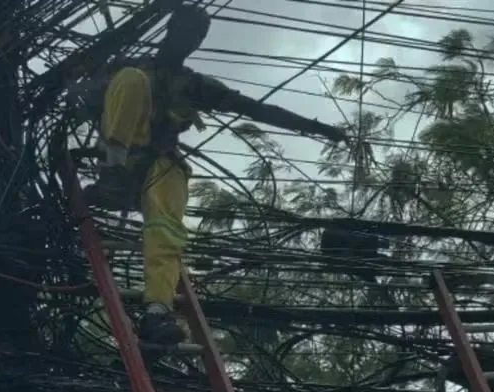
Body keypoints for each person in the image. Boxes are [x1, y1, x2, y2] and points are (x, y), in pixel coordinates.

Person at [85, 3, 346, 344]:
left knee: (167, 230)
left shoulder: (195, 85)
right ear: (170, 29)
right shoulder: (130, 68)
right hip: (122, 156)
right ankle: (113, 174)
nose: (191, 40)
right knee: (131, 80)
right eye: (186, 30)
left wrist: (315, 127)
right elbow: (85, 96)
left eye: (199, 35)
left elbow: (254, 108)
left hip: (157, 163)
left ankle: (157, 312)